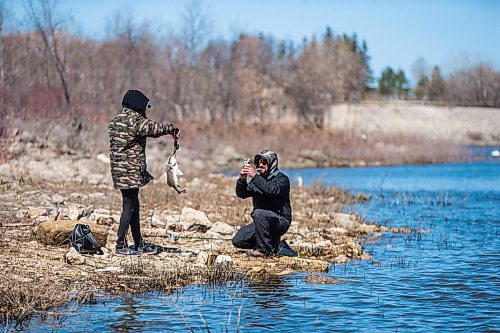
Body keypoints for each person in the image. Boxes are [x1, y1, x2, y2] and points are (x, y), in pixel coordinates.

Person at [108, 89, 180, 256]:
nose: (145, 111)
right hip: (131, 171)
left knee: (133, 204)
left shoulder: (116, 121)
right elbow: (154, 128)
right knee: (129, 206)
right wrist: (172, 128)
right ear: (138, 107)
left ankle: (139, 243)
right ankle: (120, 245)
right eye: (144, 108)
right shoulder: (135, 121)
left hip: (118, 171)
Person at [232, 149, 292, 257]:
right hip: (261, 223)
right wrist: (242, 180)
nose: (261, 165)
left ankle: (264, 250)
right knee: (238, 240)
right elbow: (242, 194)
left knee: (259, 213)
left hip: (280, 221)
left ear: (272, 163)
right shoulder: (258, 180)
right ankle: (271, 245)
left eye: (264, 162)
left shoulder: (282, 179)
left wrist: (255, 176)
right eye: (259, 162)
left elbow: (271, 190)